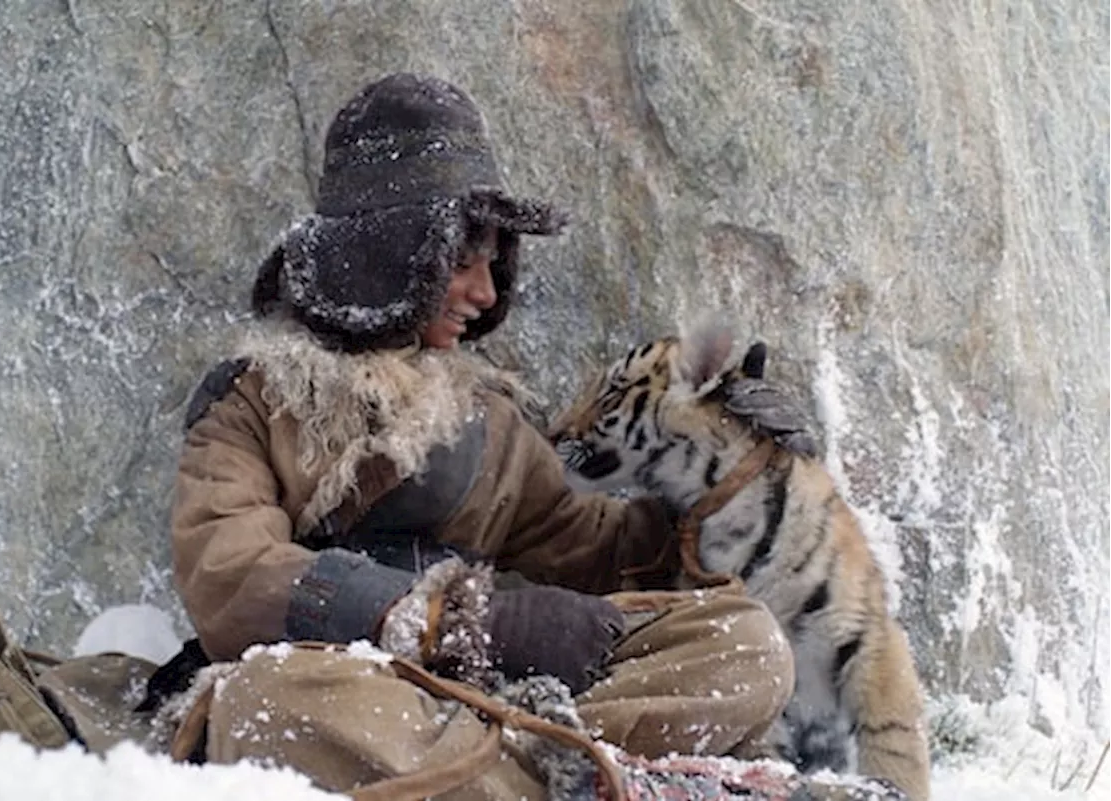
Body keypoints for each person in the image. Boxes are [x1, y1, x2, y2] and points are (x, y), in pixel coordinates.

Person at [163, 72, 817, 800]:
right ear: (390, 254)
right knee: (264, 702)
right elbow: (228, 571)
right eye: (463, 262)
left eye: (493, 266)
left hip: (491, 700)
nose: (486, 294)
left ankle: (541, 774)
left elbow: (593, 545)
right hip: (346, 684)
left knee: (746, 641)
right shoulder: (252, 399)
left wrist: (732, 478)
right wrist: (448, 619)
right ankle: (612, 778)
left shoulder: (488, 418)